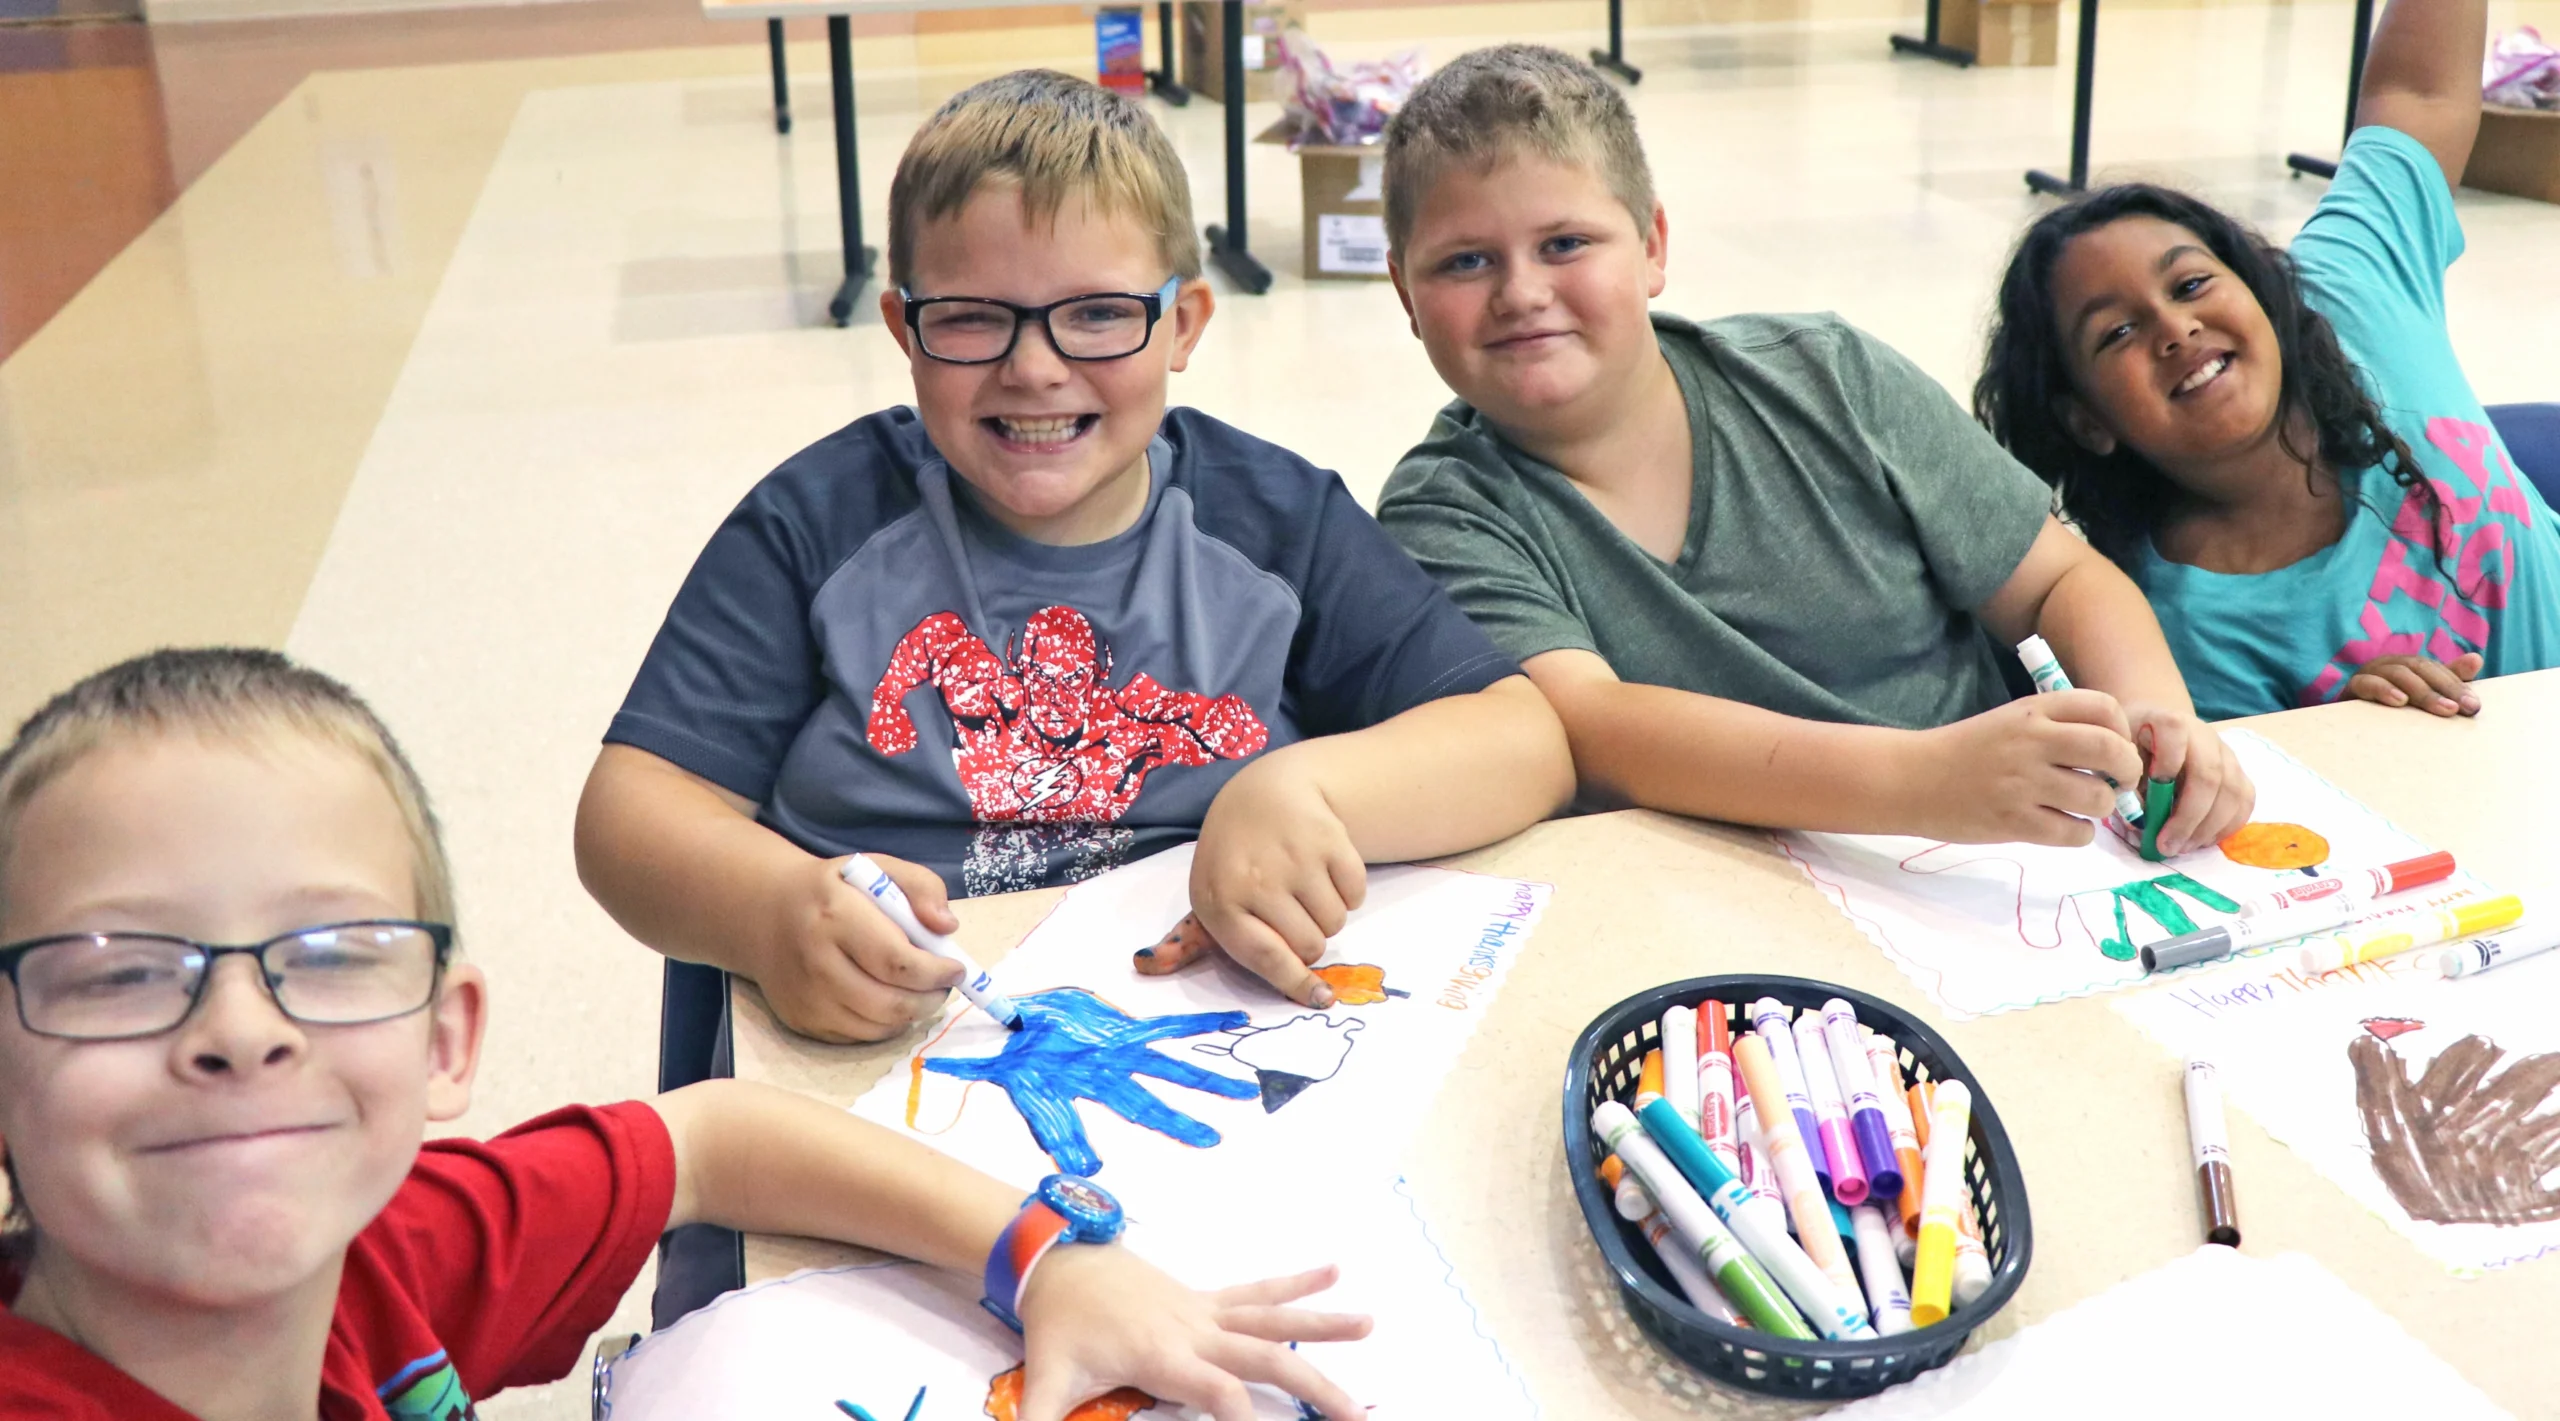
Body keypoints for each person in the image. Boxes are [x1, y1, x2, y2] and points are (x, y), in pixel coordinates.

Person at [0, 647, 1367, 1421]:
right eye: (115, 972)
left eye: (332, 953)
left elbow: (707, 1137)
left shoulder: (386, 1261)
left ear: (445, 1041)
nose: (240, 1030)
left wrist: (1047, 1256)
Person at [577, 70, 1569, 1045]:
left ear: (1181, 326)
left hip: (1198, 1013)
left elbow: (1522, 741)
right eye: (970, 316)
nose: (1035, 367)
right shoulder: (819, 522)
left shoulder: (1276, 524)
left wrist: (1303, 789)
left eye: (1097, 313)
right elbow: (629, 816)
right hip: (890, 1026)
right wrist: (767, 907)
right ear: (903, 330)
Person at [1372, 45, 2253, 854]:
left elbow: (2059, 579)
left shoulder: (1830, 377)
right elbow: (1592, 729)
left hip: (2004, 863)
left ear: (1651, 247)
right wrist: (1922, 781)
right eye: (1464, 263)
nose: (1522, 293)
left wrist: (2155, 713)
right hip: (1724, 905)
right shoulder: (1442, 514)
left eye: (1565, 244)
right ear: (1405, 295)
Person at [1974, 0, 2560, 721]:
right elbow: (2273, 805)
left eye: (2191, 283)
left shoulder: (2350, 291)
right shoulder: (2170, 631)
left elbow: (2417, 96)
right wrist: (2346, 728)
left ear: (2261, 289)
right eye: (2117, 333)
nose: (2175, 327)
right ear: (2087, 421)